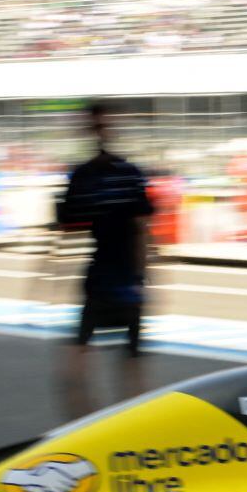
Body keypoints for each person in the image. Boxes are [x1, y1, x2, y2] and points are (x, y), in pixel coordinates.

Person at [55, 100, 154, 419]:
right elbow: (142, 229)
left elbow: (66, 225)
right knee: (131, 364)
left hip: (104, 277)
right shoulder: (128, 173)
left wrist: (48, 277)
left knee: (80, 358)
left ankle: (84, 426)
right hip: (123, 278)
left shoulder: (83, 175)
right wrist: (146, 277)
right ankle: (131, 426)